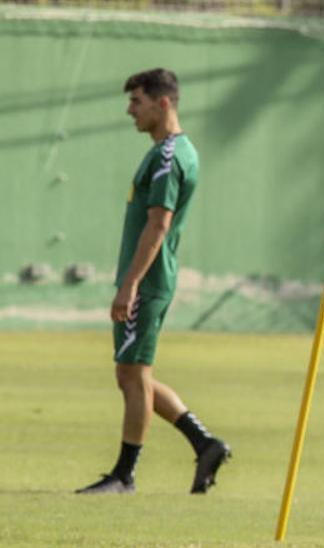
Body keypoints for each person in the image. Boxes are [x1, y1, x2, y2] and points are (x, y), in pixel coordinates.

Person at [77, 68, 231, 495]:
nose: (130, 111)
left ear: (163, 103)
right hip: (149, 279)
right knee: (132, 375)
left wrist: (129, 285)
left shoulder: (169, 158)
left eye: (137, 102)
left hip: (146, 281)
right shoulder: (168, 151)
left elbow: (158, 226)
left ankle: (125, 475)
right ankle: (205, 443)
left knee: (133, 374)